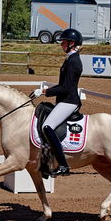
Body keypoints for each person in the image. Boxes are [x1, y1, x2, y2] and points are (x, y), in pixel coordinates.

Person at [32, 28, 83, 177]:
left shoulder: (74, 61)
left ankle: (63, 164)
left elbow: (66, 87)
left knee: (47, 126)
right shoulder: (70, 58)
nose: (61, 45)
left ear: (71, 43)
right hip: (65, 100)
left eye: (64, 42)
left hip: (69, 101)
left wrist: (45, 92)